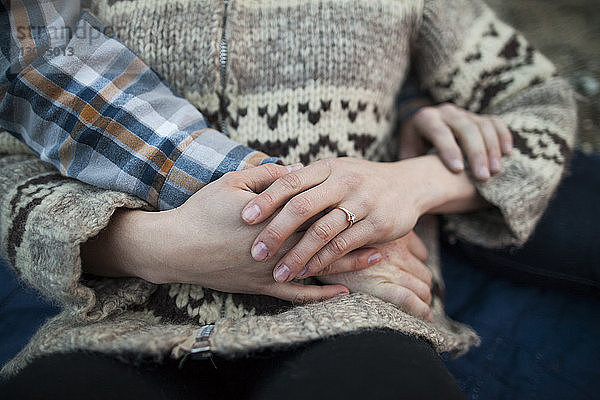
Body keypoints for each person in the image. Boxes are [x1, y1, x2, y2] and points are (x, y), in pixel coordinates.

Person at [0, 0, 576, 397]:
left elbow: (540, 101)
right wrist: (146, 246)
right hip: (123, 315)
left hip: (355, 311)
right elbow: (13, 160)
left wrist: (414, 181)